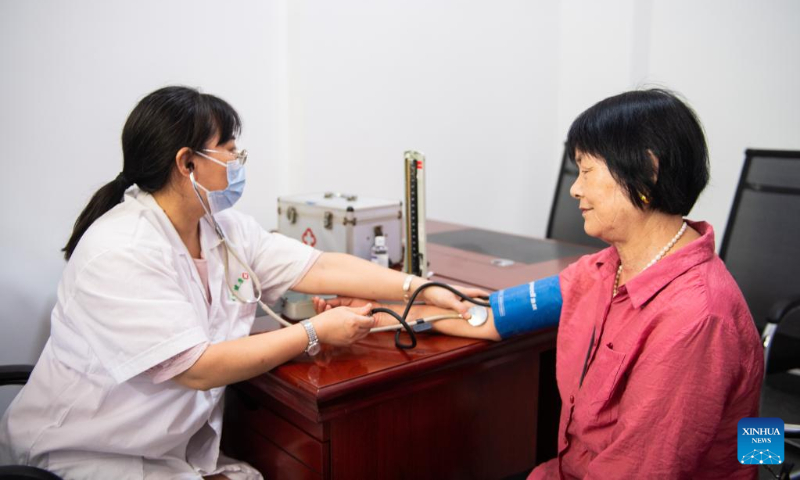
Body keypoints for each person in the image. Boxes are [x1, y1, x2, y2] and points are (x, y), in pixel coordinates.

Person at [0, 86, 483, 479]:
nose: (238, 162)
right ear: (187, 163)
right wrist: (314, 332)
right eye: (231, 150)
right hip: (90, 454)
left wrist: (419, 288)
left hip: (163, 446)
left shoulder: (220, 228)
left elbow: (316, 266)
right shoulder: (121, 249)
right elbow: (196, 368)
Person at [315, 89, 764, 479]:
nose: (575, 189)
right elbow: (488, 316)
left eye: (587, 171)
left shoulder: (695, 319)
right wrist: (382, 311)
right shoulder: (603, 271)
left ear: (646, 172)